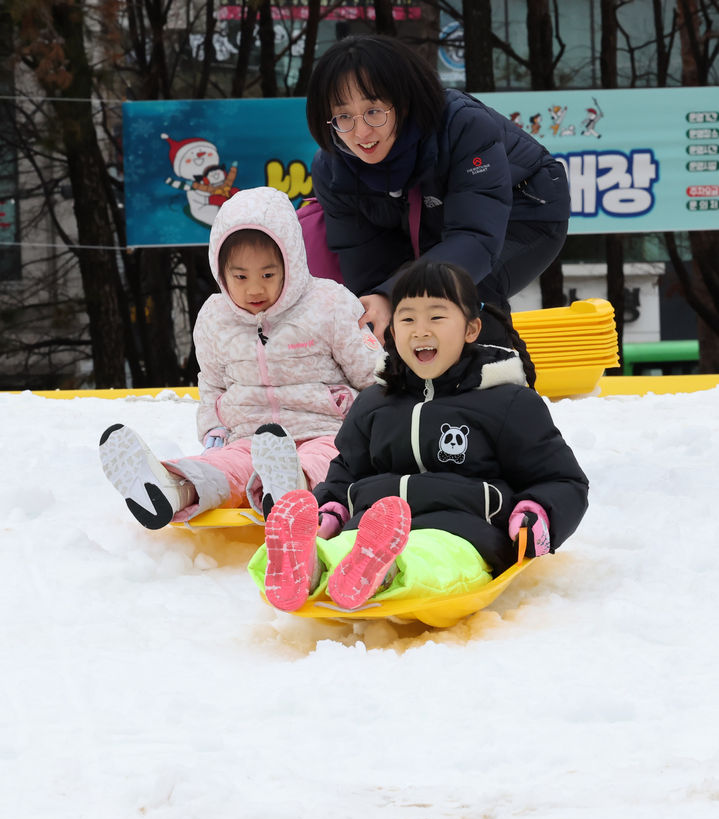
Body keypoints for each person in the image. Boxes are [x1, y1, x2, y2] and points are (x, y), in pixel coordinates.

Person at [249, 261, 588, 613]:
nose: (420, 330)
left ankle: (386, 570)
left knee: (434, 560)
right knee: (338, 549)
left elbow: (560, 478)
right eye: (408, 319)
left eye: (436, 318)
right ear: (392, 331)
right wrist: (331, 509)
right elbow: (347, 472)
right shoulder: (373, 403)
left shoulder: (506, 402)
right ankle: (308, 566)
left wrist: (536, 514)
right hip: (370, 525)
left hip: (462, 529)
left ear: (472, 329)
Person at [99, 186, 383, 529]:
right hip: (249, 438)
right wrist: (214, 429)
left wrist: (377, 428)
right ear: (221, 272)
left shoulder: (329, 304)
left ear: (290, 264)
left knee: (323, 461)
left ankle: (289, 491)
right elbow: (213, 383)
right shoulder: (215, 317)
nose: (254, 290)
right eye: (240, 277)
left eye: (267, 275)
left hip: (325, 431)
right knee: (227, 467)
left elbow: (373, 374)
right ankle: (172, 488)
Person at [305, 34, 570, 347]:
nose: (361, 132)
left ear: (403, 103)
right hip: (432, 222)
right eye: (344, 116)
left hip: (525, 208)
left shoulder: (464, 125)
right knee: (391, 304)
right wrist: (379, 298)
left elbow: (475, 239)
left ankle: (497, 381)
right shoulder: (332, 168)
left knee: (463, 289)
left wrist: (395, 294)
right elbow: (366, 268)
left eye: (374, 111)